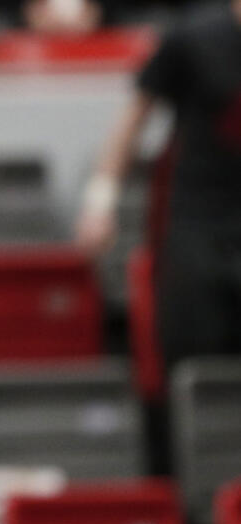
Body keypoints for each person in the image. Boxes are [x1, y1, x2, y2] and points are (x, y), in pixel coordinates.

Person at [75, 0, 241, 370]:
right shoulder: (194, 37)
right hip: (200, 223)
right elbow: (133, 120)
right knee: (199, 356)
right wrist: (99, 204)